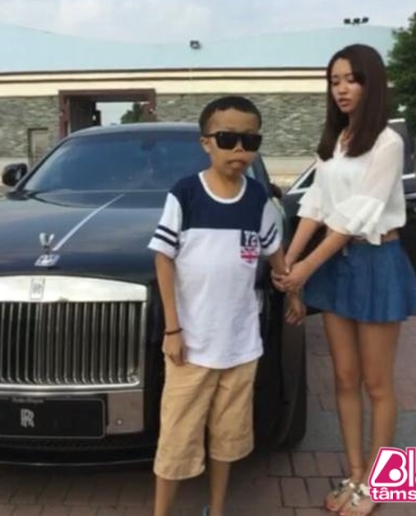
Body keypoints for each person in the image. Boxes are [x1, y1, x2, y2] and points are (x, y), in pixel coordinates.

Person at [273, 44, 416, 516]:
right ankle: (356, 472)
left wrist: (305, 268)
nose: (341, 89)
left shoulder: (387, 142)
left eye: (351, 79)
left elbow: (356, 215)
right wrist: (288, 263)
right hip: (337, 264)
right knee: (343, 378)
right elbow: (316, 206)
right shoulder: (335, 142)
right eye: (335, 80)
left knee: (377, 383)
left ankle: (378, 485)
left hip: (376, 262)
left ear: (371, 83)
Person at [148, 95, 305, 516]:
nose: (239, 149)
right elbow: (163, 259)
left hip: (240, 347)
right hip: (191, 349)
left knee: (227, 439)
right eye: (227, 138)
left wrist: (293, 292)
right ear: (206, 143)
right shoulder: (185, 194)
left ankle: (216, 509)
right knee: (176, 439)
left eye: (249, 140)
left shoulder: (258, 199)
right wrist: (173, 329)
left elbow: (275, 253)